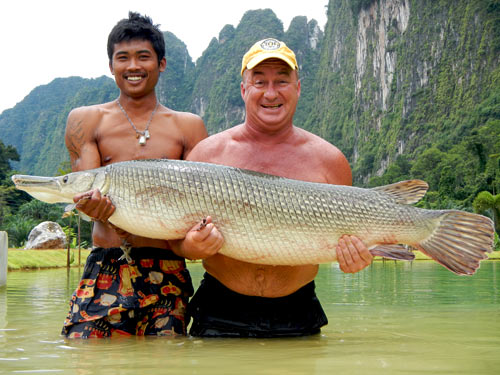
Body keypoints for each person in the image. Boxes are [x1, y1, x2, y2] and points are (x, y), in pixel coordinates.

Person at [175, 38, 374, 338]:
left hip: (298, 313)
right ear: (244, 89)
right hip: (219, 311)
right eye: (259, 82)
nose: (271, 93)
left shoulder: (330, 161)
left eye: (282, 81)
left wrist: (355, 258)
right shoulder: (206, 156)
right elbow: (177, 240)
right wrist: (191, 246)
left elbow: (349, 238)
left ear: (298, 88)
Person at [61, 12, 213, 338]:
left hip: (166, 265)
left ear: (162, 63)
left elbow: (203, 200)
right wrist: (91, 205)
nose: (133, 66)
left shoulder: (188, 126)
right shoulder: (86, 121)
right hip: (108, 262)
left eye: (143, 56)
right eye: (123, 58)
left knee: (165, 361)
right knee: (84, 356)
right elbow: (87, 190)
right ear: (110, 65)